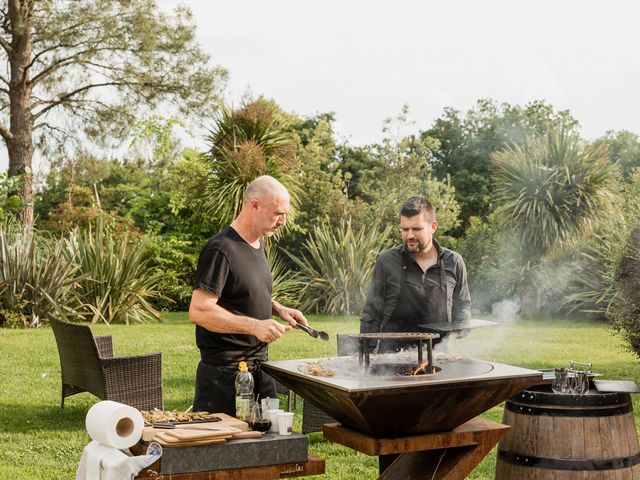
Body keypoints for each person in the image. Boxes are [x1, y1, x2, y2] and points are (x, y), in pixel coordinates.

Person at [189, 175, 308, 415]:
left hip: (260, 367)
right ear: (254, 205)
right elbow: (199, 310)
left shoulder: (258, 243)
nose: (283, 221)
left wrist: (278, 308)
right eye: (277, 213)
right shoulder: (221, 249)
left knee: (269, 445)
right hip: (225, 376)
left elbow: (243, 289)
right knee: (225, 451)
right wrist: (255, 326)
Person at [360, 196, 471, 350]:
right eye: (405, 229)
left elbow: (462, 304)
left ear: (433, 227)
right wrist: (367, 355)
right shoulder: (386, 261)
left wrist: (463, 323)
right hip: (391, 358)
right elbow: (371, 314)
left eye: (417, 229)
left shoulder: (454, 261)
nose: (410, 235)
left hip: (438, 355)